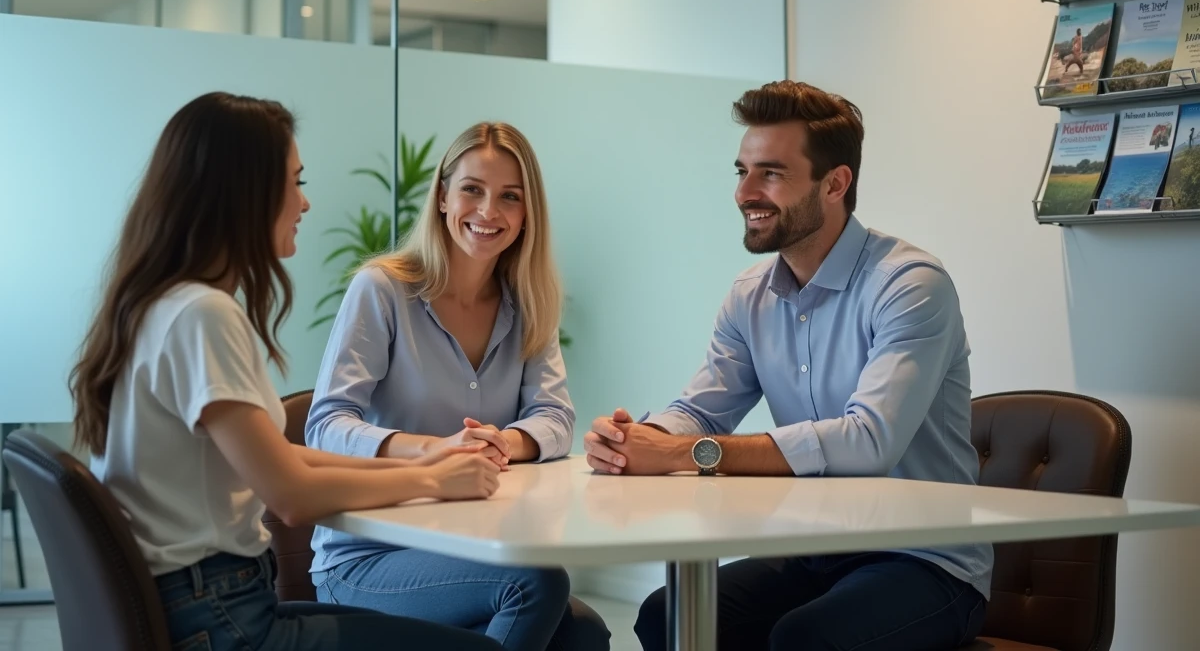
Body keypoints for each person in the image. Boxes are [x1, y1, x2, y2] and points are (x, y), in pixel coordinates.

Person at [70, 92, 505, 651]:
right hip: (221, 617)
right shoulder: (202, 315)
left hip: (194, 604)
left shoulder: (159, 305)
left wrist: (431, 455)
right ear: (246, 192)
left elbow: (280, 459)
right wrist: (431, 481)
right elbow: (290, 495)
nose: (304, 203)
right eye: (296, 181)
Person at [584, 81, 993, 651]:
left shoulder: (910, 285)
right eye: (742, 171)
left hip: (925, 561)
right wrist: (639, 438)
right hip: (816, 549)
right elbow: (701, 409)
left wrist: (685, 454)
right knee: (667, 616)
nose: (744, 193)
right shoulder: (749, 294)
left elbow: (869, 439)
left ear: (835, 184)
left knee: (806, 639)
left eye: (770, 174)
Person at [306, 122, 610, 651]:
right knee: (536, 582)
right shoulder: (382, 290)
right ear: (443, 197)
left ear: (526, 215)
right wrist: (434, 452)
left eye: (509, 197)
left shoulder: (528, 302)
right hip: (368, 557)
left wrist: (502, 442)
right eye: (472, 189)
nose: (489, 211)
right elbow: (326, 425)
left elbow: (555, 418)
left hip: (475, 548)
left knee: (581, 635)